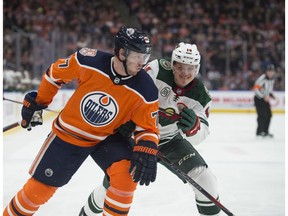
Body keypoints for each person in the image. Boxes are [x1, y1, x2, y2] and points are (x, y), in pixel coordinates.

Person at [3, 26, 160, 216]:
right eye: (137, 56)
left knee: (126, 176)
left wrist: (148, 147)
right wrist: (39, 102)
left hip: (108, 137)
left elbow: (147, 128)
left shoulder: (147, 88)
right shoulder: (88, 61)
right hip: (69, 135)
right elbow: (54, 74)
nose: (142, 63)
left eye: (145, 57)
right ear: (121, 52)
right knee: (37, 192)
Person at [79, 42, 222, 216]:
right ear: (172, 64)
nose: (185, 73)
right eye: (180, 67)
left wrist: (194, 128)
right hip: (138, 137)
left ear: (197, 68)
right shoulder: (156, 70)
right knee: (115, 185)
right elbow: (130, 90)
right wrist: (128, 118)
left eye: (190, 68)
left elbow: (202, 133)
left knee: (205, 179)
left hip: (169, 141)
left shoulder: (201, 95)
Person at [253, 64, 278, 137]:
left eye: (272, 71)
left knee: (269, 115)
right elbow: (256, 89)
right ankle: (259, 132)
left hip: (265, 99)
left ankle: (265, 131)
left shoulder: (272, 79)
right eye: (269, 71)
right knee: (262, 115)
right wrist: (263, 96)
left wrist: (273, 96)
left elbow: (268, 91)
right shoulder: (262, 78)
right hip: (258, 99)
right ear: (266, 72)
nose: (270, 73)